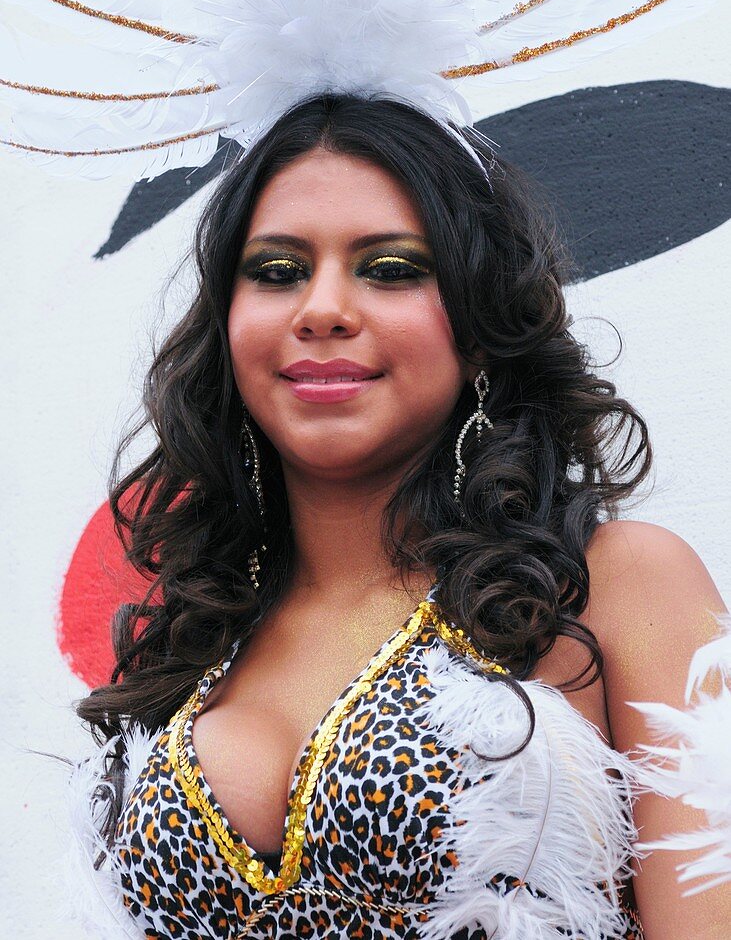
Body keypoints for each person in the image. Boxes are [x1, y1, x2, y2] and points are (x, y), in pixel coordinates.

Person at [67, 92, 728, 939]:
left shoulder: (612, 584)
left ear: (480, 326)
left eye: (390, 269)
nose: (322, 309)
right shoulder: (193, 635)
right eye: (276, 272)